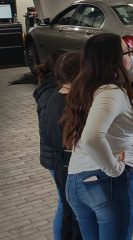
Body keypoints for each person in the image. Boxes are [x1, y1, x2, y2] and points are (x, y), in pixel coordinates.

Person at [62, 33, 133, 240]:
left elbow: (104, 132)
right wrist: (114, 169)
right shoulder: (111, 92)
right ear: (115, 59)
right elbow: (92, 137)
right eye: (128, 51)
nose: (131, 55)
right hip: (104, 183)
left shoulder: (86, 88)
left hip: (77, 181)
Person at [45, 51, 83, 240]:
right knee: (74, 212)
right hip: (67, 164)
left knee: (69, 209)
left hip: (60, 163)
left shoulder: (54, 97)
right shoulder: (69, 103)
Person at [34, 50, 64, 240]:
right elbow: (53, 131)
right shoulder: (52, 94)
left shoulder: (51, 89)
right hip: (57, 157)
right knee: (65, 204)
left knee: (67, 203)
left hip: (56, 156)